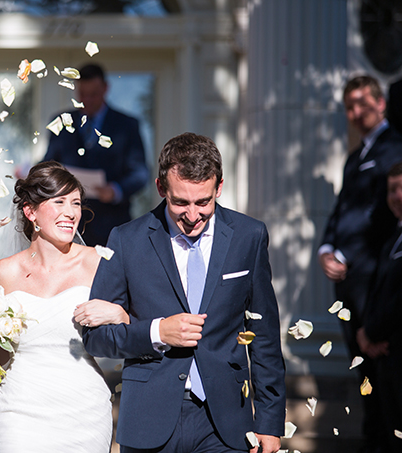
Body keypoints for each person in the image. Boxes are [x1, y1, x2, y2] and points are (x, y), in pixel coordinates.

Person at [84, 133, 286, 453]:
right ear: (160, 188)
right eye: (180, 202)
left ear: (219, 187)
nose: (192, 216)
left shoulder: (249, 236)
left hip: (226, 424)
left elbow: (263, 335)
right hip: (148, 419)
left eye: (203, 202)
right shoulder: (126, 240)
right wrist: (157, 332)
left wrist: (269, 422)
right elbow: (95, 338)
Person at [0, 161, 129, 452]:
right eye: (59, 201)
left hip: (84, 413)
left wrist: (120, 314)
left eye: (75, 203)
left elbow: (133, 331)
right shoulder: (3, 273)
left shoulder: (98, 263)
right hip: (19, 412)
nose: (71, 212)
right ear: (30, 211)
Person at [318, 75, 402, 452]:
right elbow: (342, 210)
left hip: (375, 277)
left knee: (380, 364)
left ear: (381, 103)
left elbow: (383, 214)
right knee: (361, 366)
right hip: (348, 282)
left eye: (362, 104)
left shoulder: (395, 147)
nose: (355, 113)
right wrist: (326, 248)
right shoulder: (355, 157)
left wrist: (346, 254)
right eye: (349, 106)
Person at [43, 63, 149, 247]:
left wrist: (115, 190)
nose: (87, 100)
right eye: (82, 94)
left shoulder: (127, 126)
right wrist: (31, 175)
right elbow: (49, 164)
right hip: (67, 226)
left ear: (105, 89)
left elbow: (140, 174)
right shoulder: (61, 121)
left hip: (112, 228)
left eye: (93, 94)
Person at [356, 161, 402, 451]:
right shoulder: (392, 239)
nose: (395, 196)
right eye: (391, 190)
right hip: (386, 359)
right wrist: (365, 334)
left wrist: (371, 332)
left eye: (401, 188)